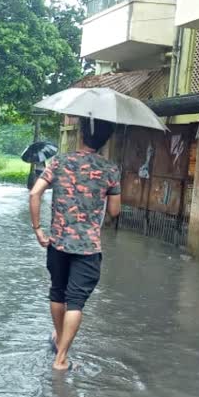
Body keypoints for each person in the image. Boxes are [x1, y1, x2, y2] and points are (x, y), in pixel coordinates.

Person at [28, 118, 121, 372]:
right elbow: (114, 211)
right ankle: (61, 359)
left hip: (57, 242)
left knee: (58, 292)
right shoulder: (110, 170)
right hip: (88, 247)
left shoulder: (59, 162)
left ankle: (59, 340)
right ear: (106, 139)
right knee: (76, 301)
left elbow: (34, 193)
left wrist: (38, 229)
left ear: (81, 134)